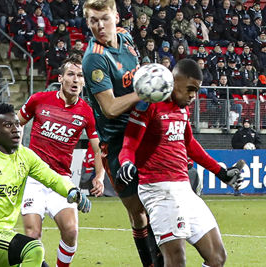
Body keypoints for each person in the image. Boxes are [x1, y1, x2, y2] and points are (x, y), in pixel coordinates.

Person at [117, 59, 244, 267]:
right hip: (158, 190)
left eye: (196, 91)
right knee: (176, 261)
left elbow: (190, 145)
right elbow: (130, 142)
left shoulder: (182, 109)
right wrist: (126, 163)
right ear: (174, 81)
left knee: (217, 257)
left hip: (184, 190)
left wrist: (221, 172)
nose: (193, 96)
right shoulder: (149, 104)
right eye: (190, 89)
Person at [0, 103, 91, 267]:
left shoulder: (26, 156)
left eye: (17, 124)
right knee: (33, 249)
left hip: (4, 235)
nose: (16, 129)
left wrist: (72, 190)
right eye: (8, 125)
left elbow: (53, 178)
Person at [82, 0, 162, 266]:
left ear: (116, 17)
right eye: (93, 21)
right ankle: (150, 262)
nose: (99, 26)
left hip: (142, 130)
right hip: (116, 143)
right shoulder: (94, 57)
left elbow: (136, 75)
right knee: (138, 212)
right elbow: (110, 108)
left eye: (104, 18)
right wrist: (143, 91)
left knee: (159, 203)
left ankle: (166, 258)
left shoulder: (127, 38)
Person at [18, 55, 105, 267]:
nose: (75, 80)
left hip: (61, 180)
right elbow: (16, 123)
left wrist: (100, 176)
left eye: (80, 76)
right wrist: (17, 149)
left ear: (84, 81)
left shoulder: (86, 112)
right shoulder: (39, 99)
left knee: (71, 231)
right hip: (33, 178)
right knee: (32, 233)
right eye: (71, 74)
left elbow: (98, 147)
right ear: (61, 78)